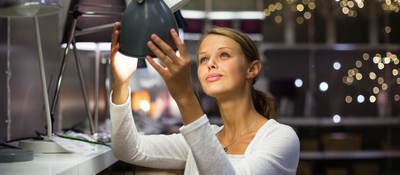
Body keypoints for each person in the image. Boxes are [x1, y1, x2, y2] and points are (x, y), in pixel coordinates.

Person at [110, 22, 300, 174]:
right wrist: (121, 82)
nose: (211, 64)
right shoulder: (203, 139)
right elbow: (128, 148)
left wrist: (185, 96)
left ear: (252, 69)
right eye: (203, 59)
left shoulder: (280, 138)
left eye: (224, 55)